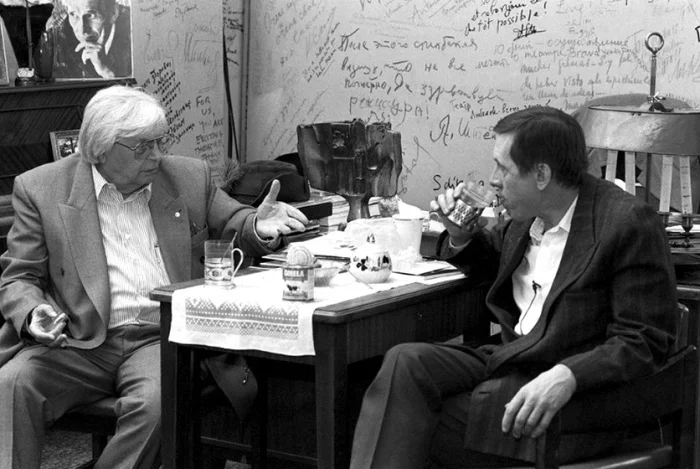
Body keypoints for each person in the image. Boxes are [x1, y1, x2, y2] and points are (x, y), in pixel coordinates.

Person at [349, 106, 677, 468]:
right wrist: (460, 236)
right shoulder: (528, 215)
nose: (493, 180)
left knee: (406, 419)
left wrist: (569, 375)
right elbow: (497, 260)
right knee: (405, 363)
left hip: (574, 393)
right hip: (514, 358)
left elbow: (644, 340)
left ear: (542, 174)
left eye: (503, 169)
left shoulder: (627, 223)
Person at [0, 85, 308, 469]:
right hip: (77, 340)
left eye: (160, 141)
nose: (157, 155)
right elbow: (20, 276)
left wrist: (258, 225)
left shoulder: (187, 175)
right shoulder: (40, 188)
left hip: (157, 337)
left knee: (158, 404)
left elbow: (234, 220)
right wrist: (33, 313)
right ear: (100, 149)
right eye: (142, 146)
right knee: (13, 384)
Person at [51, 0, 131, 79]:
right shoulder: (56, 38)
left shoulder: (133, 30)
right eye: (73, 14)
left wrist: (106, 71)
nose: (82, 30)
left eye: (89, 16)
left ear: (113, 13)